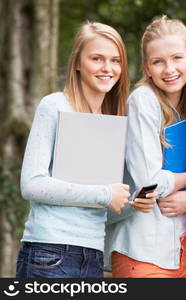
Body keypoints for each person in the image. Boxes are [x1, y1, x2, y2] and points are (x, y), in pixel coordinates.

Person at [16, 21, 132, 278]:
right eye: (97, 59)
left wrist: (134, 202)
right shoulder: (55, 106)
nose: (107, 68)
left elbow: (102, 204)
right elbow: (31, 185)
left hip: (93, 255)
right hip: (49, 253)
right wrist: (105, 194)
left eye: (115, 60)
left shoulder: (113, 122)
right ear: (77, 63)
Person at [104, 15, 186, 278]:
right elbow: (148, 183)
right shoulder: (143, 101)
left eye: (176, 58)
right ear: (147, 68)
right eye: (158, 62)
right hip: (143, 249)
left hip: (183, 244)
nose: (169, 69)